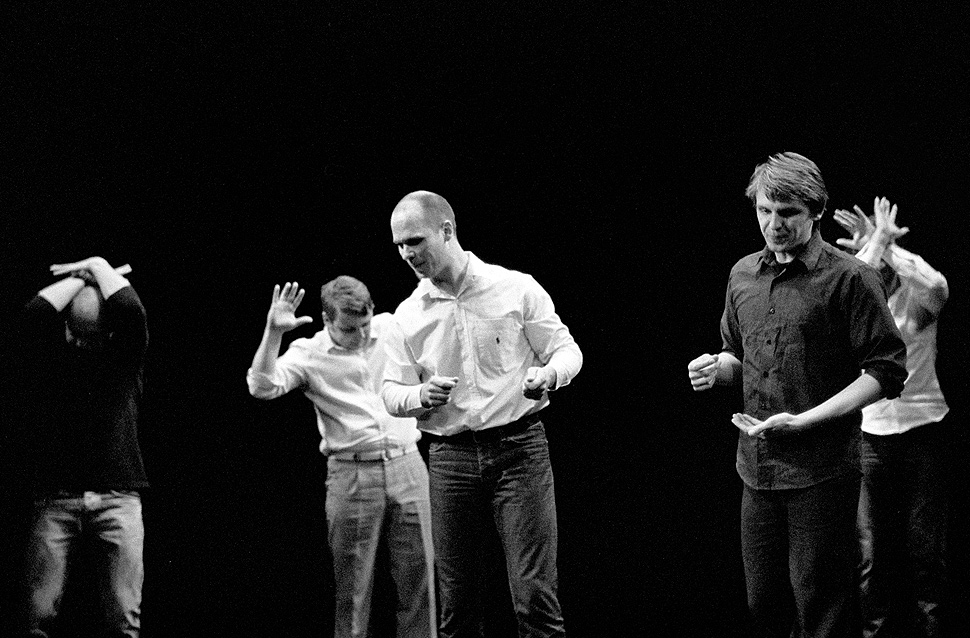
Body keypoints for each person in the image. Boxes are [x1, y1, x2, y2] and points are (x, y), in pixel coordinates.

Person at [687, 153, 907, 638]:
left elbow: (886, 371)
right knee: (764, 604)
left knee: (821, 607)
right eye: (765, 211)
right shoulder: (743, 274)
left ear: (817, 211)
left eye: (787, 213)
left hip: (822, 471)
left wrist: (807, 420)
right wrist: (716, 369)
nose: (774, 224)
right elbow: (738, 357)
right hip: (757, 469)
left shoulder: (849, 277)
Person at [381, 191, 583, 638]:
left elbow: (567, 350)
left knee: (534, 597)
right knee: (457, 603)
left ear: (447, 231)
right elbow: (391, 393)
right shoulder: (407, 315)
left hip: (519, 451)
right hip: (451, 459)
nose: (407, 253)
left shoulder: (514, 287)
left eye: (415, 240)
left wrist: (549, 375)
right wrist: (420, 395)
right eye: (399, 245)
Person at [246, 277, 436, 638]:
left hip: (407, 464)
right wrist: (273, 332)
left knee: (421, 580)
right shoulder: (310, 353)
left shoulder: (390, 328)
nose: (362, 336)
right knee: (352, 589)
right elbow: (262, 386)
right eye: (350, 329)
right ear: (326, 320)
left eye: (365, 324)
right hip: (353, 474)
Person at [834, 197, 950, 637]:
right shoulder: (856, 314)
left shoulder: (917, 307)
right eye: (875, 262)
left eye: (885, 265)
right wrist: (876, 240)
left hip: (924, 432)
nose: (879, 271)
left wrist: (887, 244)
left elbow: (936, 283)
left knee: (926, 552)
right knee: (870, 554)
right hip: (870, 436)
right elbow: (849, 282)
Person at [16, 256, 149, 637]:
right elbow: (34, 315)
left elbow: (129, 311)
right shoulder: (57, 359)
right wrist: (93, 272)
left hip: (113, 499)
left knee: (122, 618)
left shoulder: (122, 358)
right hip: (63, 498)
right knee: (40, 614)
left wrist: (88, 268)